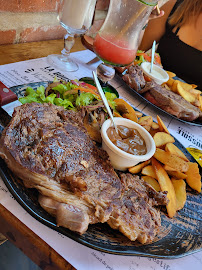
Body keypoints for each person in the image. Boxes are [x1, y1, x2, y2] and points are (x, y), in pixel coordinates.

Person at [139, 0, 202, 90]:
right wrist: (144, 19)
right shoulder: (174, 3)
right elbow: (139, 50)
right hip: (145, 93)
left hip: (191, 104)